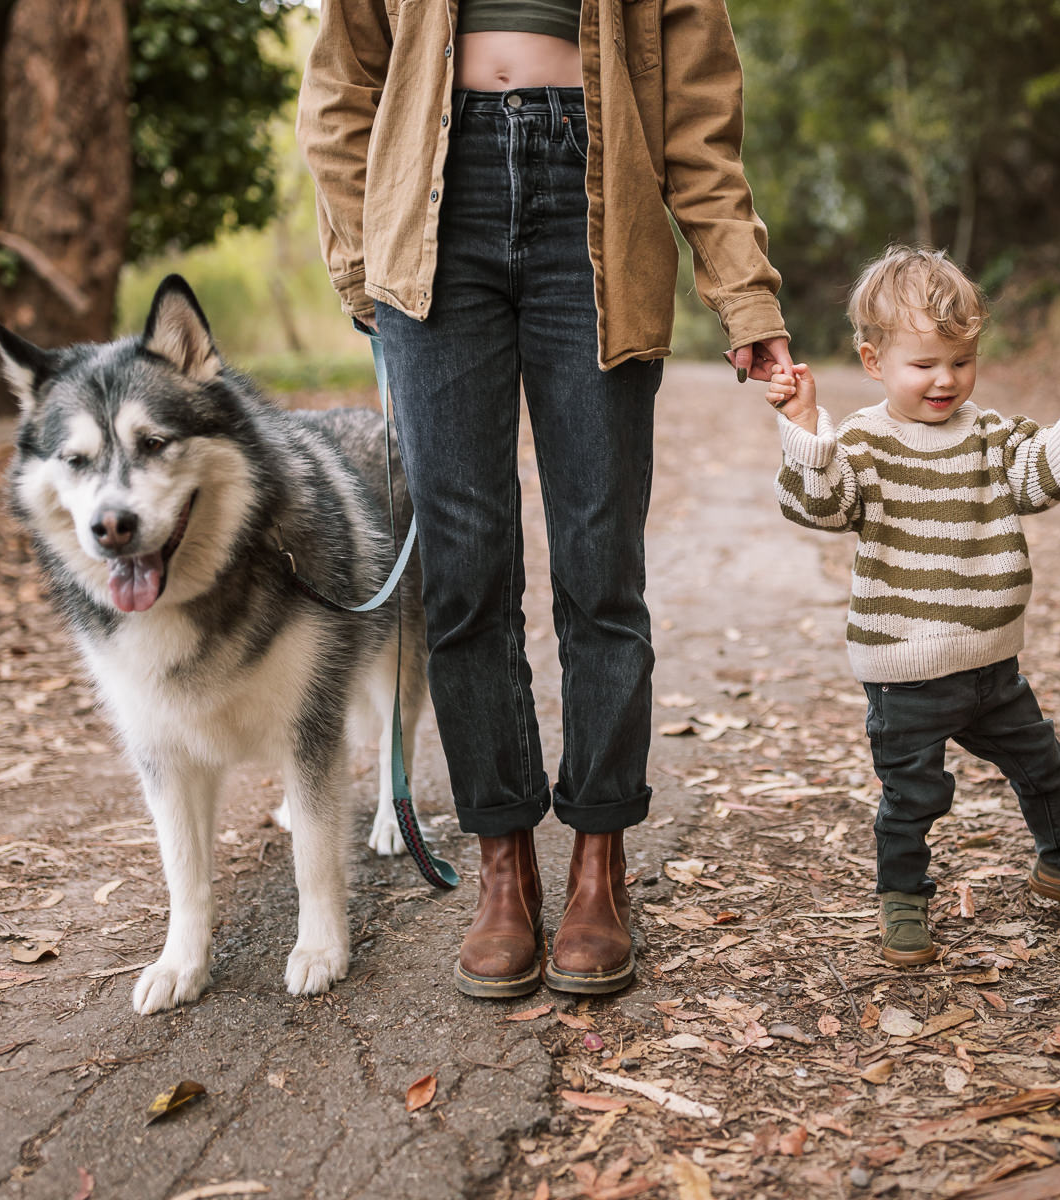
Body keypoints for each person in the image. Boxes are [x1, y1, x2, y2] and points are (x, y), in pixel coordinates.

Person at [298, 0, 792, 998]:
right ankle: (502, 865)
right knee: (467, 571)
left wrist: (743, 292)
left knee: (598, 565)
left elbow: (696, 114)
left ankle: (600, 867)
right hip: (436, 207)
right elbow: (344, 85)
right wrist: (364, 261)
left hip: (593, 194)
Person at [769, 246, 1060, 965]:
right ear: (873, 362)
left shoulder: (990, 435)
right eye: (924, 364)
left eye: (961, 361)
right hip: (904, 670)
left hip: (992, 665)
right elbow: (821, 505)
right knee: (913, 797)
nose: (946, 380)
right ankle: (902, 900)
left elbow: (1037, 476)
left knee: (1042, 765)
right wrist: (808, 431)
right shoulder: (864, 443)